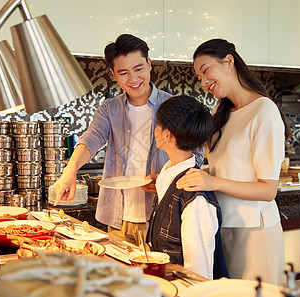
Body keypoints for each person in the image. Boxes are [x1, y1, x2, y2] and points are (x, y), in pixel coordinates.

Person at [52, 34, 203, 245]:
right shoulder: (109, 108)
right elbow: (92, 137)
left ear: (149, 64)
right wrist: (71, 170)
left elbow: (196, 153)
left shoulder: (173, 106)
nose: (133, 79)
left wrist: (167, 177)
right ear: (113, 74)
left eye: (139, 69)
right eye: (123, 72)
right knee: (121, 274)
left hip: (160, 213)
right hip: (117, 216)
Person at [176, 39, 291, 285]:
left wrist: (212, 181)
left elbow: (267, 189)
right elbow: (224, 170)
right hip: (224, 224)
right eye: (198, 77)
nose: (203, 81)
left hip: (254, 232)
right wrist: (177, 178)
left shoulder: (264, 111)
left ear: (228, 61)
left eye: (205, 70)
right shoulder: (221, 113)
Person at [146, 95, 229, 280]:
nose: (155, 130)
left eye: (158, 124)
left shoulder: (196, 198)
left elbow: (198, 273)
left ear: (167, 134)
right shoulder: (169, 177)